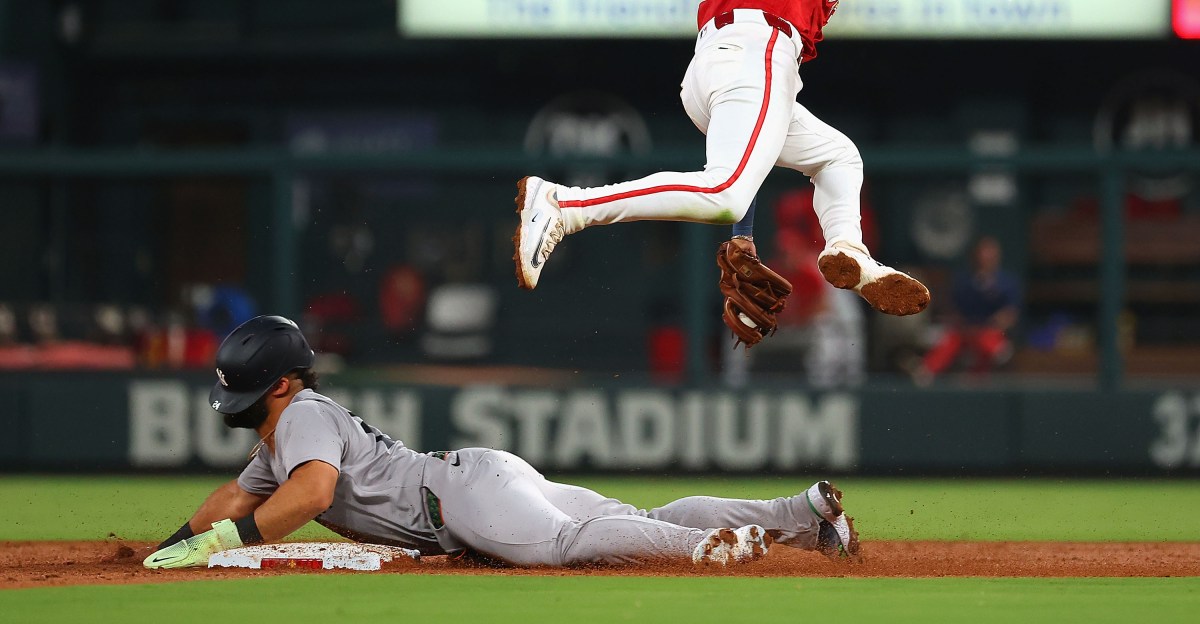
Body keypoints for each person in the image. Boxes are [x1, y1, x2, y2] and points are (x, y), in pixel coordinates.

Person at [143, 315, 859, 569]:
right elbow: (236, 496)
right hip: (475, 481)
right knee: (637, 519)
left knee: (567, 546)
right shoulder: (283, 439)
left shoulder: (300, 415)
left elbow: (313, 494)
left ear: (277, 384)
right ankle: (799, 515)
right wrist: (177, 543)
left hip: (456, 501)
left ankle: (713, 549)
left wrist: (227, 544)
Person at [512, 0, 929, 320]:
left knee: (837, 157)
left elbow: (757, 142)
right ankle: (566, 206)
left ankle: (848, 251)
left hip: (729, 57)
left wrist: (742, 233)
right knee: (724, 193)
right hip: (756, 48)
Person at [912, 236, 1020, 384]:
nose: (986, 258)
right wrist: (963, 324)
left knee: (993, 347)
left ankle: (977, 377)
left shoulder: (1007, 283)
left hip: (990, 332)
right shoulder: (963, 281)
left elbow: (1009, 313)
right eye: (983, 253)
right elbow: (952, 308)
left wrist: (995, 324)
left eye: (991, 254)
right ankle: (926, 372)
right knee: (949, 341)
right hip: (964, 330)